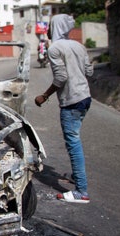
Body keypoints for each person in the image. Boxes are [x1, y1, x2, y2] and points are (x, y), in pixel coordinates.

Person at [34, 14, 94, 204]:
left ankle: (81, 191)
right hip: (85, 98)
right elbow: (89, 71)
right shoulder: (79, 46)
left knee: (73, 143)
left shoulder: (54, 48)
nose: (49, 30)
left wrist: (44, 95)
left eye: (51, 26)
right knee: (75, 139)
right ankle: (78, 176)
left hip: (71, 101)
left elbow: (61, 78)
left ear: (56, 27)